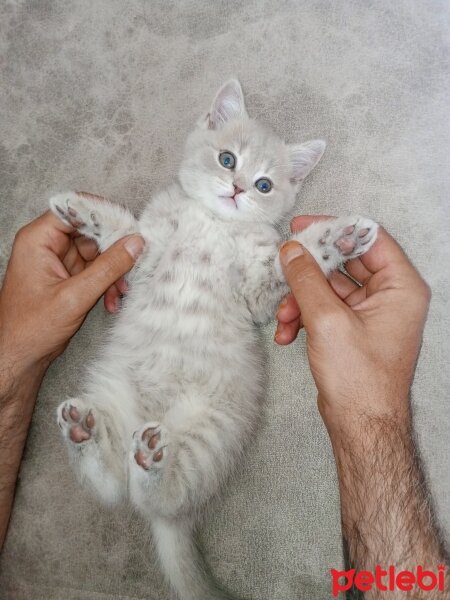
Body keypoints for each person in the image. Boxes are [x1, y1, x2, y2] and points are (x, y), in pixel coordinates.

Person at [0, 209, 447, 593]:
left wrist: (315, 249)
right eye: (227, 161)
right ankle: (109, 467)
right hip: (141, 369)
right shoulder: (170, 205)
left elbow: (261, 294)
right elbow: (134, 256)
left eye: (263, 184)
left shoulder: (259, 236)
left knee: (191, 420)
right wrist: (106, 226)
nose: (237, 189)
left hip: (204, 387)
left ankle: (158, 483)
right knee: (112, 397)